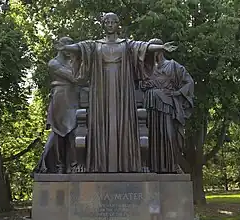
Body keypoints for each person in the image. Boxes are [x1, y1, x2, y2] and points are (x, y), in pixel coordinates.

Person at [58, 12, 177, 173]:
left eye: (113, 22)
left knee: (123, 122)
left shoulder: (126, 44)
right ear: (103, 24)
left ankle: (127, 163)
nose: (110, 24)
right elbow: (80, 48)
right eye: (107, 22)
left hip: (122, 89)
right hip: (101, 88)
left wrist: (161, 47)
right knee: (101, 122)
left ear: (117, 25)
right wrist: (65, 47)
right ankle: (100, 163)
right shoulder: (95, 45)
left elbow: (143, 47)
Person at [141, 38, 194, 173]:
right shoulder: (146, 69)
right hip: (150, 106)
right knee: (152, 137)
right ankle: (151, 166)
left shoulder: (173, 66)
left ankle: (172, 165)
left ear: (159, 51)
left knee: (169, 135)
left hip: (167, 106)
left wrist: (177, 93)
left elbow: (189, 82)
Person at [33, 37, 79, 174]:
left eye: (71, 45)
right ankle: (59, 166)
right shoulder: (53, 63)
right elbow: (74, 77)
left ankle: (74, 164)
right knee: (59, 131)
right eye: (66, 45)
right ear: (59, 47)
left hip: (73, 98)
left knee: (74, 131)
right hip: (60, 97)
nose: (69, 48)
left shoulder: (74, 62)